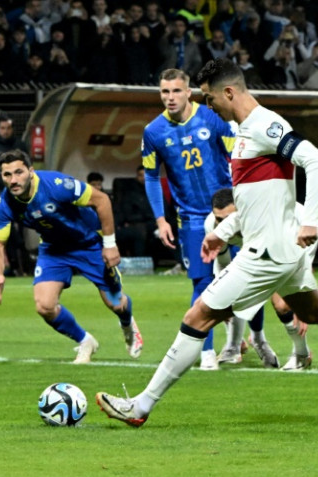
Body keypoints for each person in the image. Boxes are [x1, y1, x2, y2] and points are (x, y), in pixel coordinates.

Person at [96, 58, 318, 427]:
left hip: (266, 253)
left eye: (209, 97)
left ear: (229, 92)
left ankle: (140, 406)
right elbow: (255, 199)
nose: (207, 104)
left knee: (197, 317)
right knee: (317, 312)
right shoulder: (244, 131)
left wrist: (311, 219)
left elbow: (317, 160)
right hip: (281, 250)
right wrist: (224, 231)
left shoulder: (265, 124)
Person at [0, 149, 143, 364]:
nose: (13, 180)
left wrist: (109, 245)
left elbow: (102, 200)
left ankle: (127, 325)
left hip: (89, 243)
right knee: (44, 305)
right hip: (54, 249)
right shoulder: (5, 204)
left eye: (19, 172)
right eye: (7, 175)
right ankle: (85, 341)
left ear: (31, 172)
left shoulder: (57, 185)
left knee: (116, 303)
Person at [141, 68, 236, 370]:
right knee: (202, 282)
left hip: (228, 214)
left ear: (189, 92)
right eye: (164, 92)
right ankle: (206, 353)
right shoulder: (153, 132)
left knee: (246, 277)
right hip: (192, 216)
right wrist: (161, 219)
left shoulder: (213, 118)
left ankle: (246, 341)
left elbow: (237, 159)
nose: (170, 97)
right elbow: (152, 177)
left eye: (176, 91)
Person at [206, 188, 318, 371]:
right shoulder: (213, 226)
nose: (223, 225)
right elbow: (223, 264)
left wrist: (299, 299)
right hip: (260, 248)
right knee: (282, 305)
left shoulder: (264, 218)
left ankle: (310, 349)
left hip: (299, 233)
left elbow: (299, 258)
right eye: (219, 219)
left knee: (289, 305)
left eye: (229, 218)